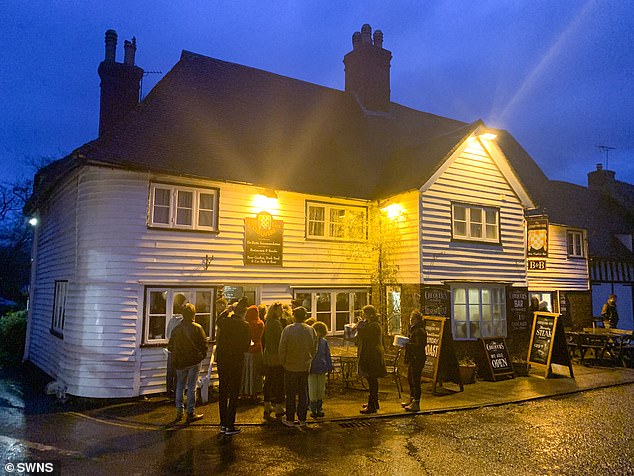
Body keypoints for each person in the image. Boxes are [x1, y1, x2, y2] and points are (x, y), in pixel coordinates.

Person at [167, 302, 208, 423]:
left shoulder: (176, 329)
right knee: (191, 387)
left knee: (180, 386)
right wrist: (200, 356)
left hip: (180, 362)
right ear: (193, 314)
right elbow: (204, 345)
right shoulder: (197, 328)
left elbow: (170, 346)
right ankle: (190, 412)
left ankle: (179, 411)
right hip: (194, 361)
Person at [216, 297, 251, 436]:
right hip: (236, 361)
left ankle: (223, 423)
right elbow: (246, 346)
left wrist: (226, 311)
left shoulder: (226, 322)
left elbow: (218, 321)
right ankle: (230, 424)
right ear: (244, 313)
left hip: (223, 360)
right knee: (234, 392)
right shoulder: (245, 326)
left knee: (223, 390)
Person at [278, 306, 317, 428]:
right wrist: (309, 359)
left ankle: (290, 418)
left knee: (290, 393)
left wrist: (283, 362)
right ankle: (302, 418)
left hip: (290, 366)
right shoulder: (311, 330)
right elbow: (314, 348)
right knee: (303, 392)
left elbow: (282, 348)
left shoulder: (288, 330)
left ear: (294, 316)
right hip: (304, 366)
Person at [357, 304, 387, 414]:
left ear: (369, 314)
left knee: (372, 380)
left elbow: (365, 336)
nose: (363, 315)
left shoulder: (373, 326)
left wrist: (360, 326)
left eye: (364, 313)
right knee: (372, 380)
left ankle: (372, 405)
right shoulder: (372, 324)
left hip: (372, 356)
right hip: (372, 355)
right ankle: (374, 402)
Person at [262, 302, 286, 420]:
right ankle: (278, 407)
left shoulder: (268, 322)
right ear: (275, 311)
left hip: (268, 354)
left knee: (269, 380)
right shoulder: (276, 324)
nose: (282, 311)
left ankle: (267, 405)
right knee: (278, 380)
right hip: (276, 355)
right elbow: (281, 340)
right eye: (280, 309)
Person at [402, 309, 427, 412]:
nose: (410, 320)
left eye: (412, 319)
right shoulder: (413, 329)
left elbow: (419, 345)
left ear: (417, 319)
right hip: (413, 358)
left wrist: (406, 344)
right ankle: (412, 399)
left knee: (416, 380)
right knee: (410, 379)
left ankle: (416, 403)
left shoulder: (419, 331)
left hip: (417, 358)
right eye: (410, 318)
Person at [309, 321, 332, 418]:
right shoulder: (313, 342)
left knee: (320, 389)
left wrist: (329, 366)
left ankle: (318, 407)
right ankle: (314, 408)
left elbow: (327, 354)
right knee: (313, 389)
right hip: (313, 368)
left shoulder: (323, 342)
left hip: (320, 368)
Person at [165, 293, 187, 400]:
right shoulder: (182, 322)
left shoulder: (171, 320)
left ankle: (169, 392)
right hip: (180, 350)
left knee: (170, 373)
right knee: (178, 374)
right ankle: (176, 395)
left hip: (171, 349)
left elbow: (167, 334)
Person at [241, 305, 264, 401]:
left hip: (246, 350)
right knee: (255, 373)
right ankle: (254, 392)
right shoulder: (260, 324)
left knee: (246, 373)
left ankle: (245, 392)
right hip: (257, 349)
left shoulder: (246, 324)